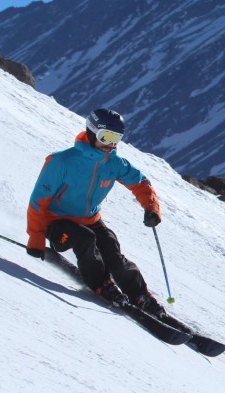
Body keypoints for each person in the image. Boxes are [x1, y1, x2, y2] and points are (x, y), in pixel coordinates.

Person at [26, 108, 164, 313]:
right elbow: (38, 201)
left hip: (90, 219)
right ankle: (102, 284)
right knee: (85, 239)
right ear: (91, 133)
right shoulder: (61, 161)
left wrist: (151, 208)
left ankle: (140, 295)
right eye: (106, 137)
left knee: (111, 249)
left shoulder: (114, 163)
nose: (110, 144)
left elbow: (141, 183)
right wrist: (36, 237)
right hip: (56, 223)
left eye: (116, 138)